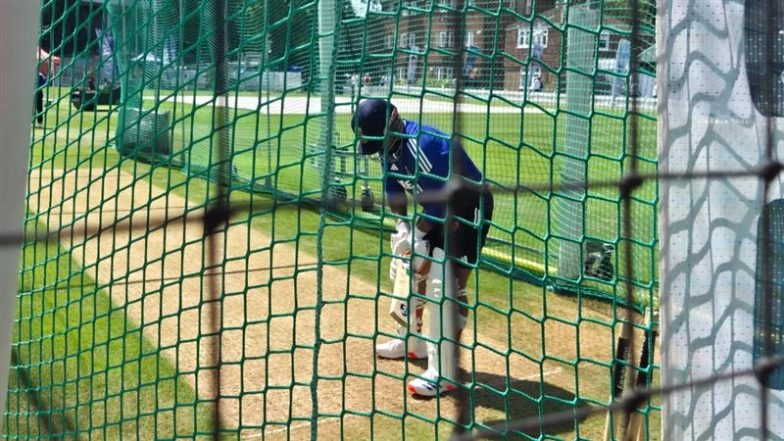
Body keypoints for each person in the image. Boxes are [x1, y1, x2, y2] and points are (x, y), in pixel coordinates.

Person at [351, 98, 494, 397]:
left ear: (395, 121)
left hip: (466, 207)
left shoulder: (423, 145)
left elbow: (446, 199)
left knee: (447, 286)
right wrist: (403, 229)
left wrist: (417, 232)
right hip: (436, 208)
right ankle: (411, 342)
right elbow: (393, 188)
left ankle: (446, 371)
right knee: (411, 270)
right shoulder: (389, 146)